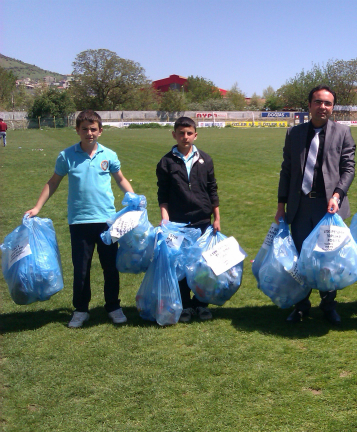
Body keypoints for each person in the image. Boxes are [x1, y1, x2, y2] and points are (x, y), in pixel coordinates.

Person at [26, 110, 134, 328]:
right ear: (77, 130)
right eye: (84, 128)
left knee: (110, 267)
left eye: (93, 129)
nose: (89, 133)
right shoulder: (67, 156)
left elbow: (120, 179)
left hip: (107, 221)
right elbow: (53, 182)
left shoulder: (108, 155)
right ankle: (81, 310)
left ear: (100, 131)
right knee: (81, 269)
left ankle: (113, 306)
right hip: (79, 221)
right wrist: (37, 207)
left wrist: (133, 199)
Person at [276, 85, 356, 325]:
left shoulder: (343, 132)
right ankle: (301, 306)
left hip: (329, 208)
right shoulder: (295, 133)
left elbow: (348, 169)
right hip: (300, 208)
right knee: (301, 258)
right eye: (318, 102)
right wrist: (281, 205)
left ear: (333, 107)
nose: (323, 107)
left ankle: (329, 305)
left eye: (328, 103)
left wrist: (337, 195)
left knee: (328, 259)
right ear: (309, 105)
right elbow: (287, 171)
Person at [156, 116, 220, 323]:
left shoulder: (205, 159)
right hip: (177, 222)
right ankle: (184, 305)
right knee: (180, 266)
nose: (185, 137)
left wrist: (216, 217)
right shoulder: (166, 162)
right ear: (174, 135)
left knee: (202, 266)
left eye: (189, 133)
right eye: (181, 133)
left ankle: (200, 304)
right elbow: (163, 194)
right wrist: (165, 219)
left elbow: (212, 190)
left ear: (195, 135)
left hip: (202, 221)